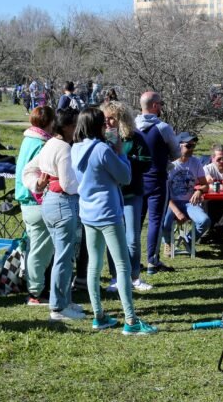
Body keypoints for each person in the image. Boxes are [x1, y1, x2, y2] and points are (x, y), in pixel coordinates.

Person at [71, 107, 157, 336]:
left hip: (87, 212)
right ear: (97, 126)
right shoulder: (102, 150)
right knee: (123, 265)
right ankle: (131, 320)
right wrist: (120, 152)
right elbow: (125, 177)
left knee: (94, 264)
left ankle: (99, 316)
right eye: (104, 123)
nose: (107, 127)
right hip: (108, 213)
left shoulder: (76, 148)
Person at [21, 108, 85, 322]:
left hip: (50, 202)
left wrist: (37, 185)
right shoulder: (64, 148)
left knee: (63, 255)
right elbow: (68, 184)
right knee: (63, 258)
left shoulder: (49, 144)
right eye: (75, 125)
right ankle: (58, 307)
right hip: (62, 204)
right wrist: (88, 186)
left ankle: (65, 300)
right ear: (66, 127)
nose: (77, 129)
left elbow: (28, 170)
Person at [102, 101, 153, 294]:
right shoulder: (102, 139)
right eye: (105, 118)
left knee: (132, 237)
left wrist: (123, 158)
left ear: (121, 119)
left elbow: (147, 163)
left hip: (132, 194)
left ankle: (134, 276)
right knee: (113, 237)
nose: (108, 122)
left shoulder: (135, 138)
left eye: (112, 118)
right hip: (111, 194)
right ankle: (116, 277)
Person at [15, 106, 56, 306]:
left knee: (34, 247)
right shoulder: (42, 144)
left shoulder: (28, 140)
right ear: (49, 122)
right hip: (36, 201)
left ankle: (36, 287)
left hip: (26, 201)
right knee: (40, 251)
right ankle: (35, 292)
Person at [136, 91, 180, 275]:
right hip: (157, 179)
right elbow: (177, 153)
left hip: (136, 180)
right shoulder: (163, 128)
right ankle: (152, 261)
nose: (161, 107)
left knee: (135, 221)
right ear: (154, 106)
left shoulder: (132, 126)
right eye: (160, 104)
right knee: (155, 220)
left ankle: (133, 261)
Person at [162, 133, 210, 255]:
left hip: (189, 203)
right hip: (170, 202)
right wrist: (177, 212)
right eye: (188, 146)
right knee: (165, 223)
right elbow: (163, 193)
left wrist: (199, 190)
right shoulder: (169, 164)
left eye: (193, 146)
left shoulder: (196, 162)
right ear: (178, 146)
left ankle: (188, 240)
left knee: (204, 221)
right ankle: (167, 242)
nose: (192, 149)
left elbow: (205, 185)